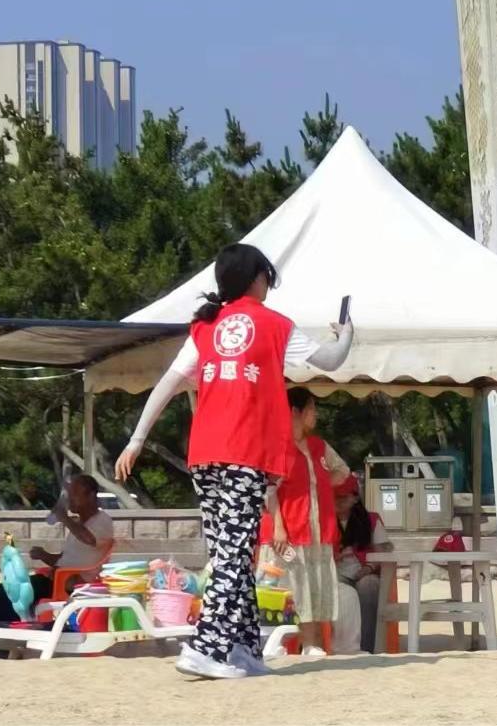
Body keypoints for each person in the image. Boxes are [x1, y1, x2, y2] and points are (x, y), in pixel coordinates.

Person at [115, 243, 354, 680]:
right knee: (234, 554)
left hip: (205, 455)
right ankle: (205, 647)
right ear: (257, 279)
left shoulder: (206, 326)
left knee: (232, 553)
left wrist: (137, 439)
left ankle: (244, 649)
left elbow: (168, 383)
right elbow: (333, 360)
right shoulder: (275, 325)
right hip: (246, 455)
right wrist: (346, 334)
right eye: (266, 277)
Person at [0, 475, 113, 660]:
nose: (70, 499)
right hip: (57, 577)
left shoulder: (102, 521)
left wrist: (65, 518)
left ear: (91, 496)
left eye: (74, 494)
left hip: (71, 583)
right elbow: (66, 559)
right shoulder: (80, 524)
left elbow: (89, 539)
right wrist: (44, 555)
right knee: (1, 593)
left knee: (4, 595)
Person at [259, 387, 349, 657]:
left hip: (317, 531)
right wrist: (279, 527)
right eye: (311, 409)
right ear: (294, 411)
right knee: (288, 589)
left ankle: (312, 644)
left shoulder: (319, 446)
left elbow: (342, 471)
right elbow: (269, 491)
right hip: (287, 533)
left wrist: (317, 486)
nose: (315, 415)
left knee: (315, 588)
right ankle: (277, 644)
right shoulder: (277, 446)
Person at [335, 473, 392, 653]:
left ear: (355, 498)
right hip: (336, 572)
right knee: (339, 589)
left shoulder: (371, 519)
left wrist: (368, 568)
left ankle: (367, 647)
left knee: (369, 586)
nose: (338, 500)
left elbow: (383, 552)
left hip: (365, 571)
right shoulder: (324, 519)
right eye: (335, 496)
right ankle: (341, 647)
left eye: (343, 496)